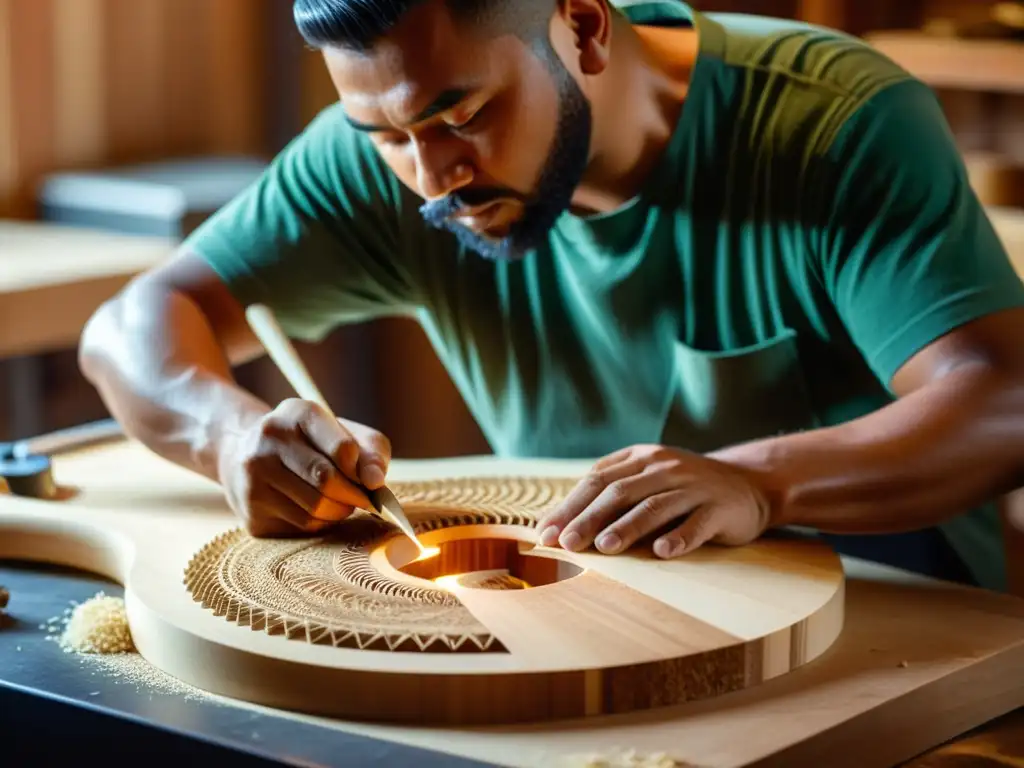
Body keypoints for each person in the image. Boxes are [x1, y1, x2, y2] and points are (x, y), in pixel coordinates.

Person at [79, 0, 1024, 592]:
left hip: (887, 611)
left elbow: (1004, 399)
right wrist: (228, 434)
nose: (432, 175)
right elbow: (133, 326)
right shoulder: (388, 156)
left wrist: (761, 483)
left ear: (583, 26)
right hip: (586, 604)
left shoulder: (831, 122)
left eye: (464, 115)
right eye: (383, 134)